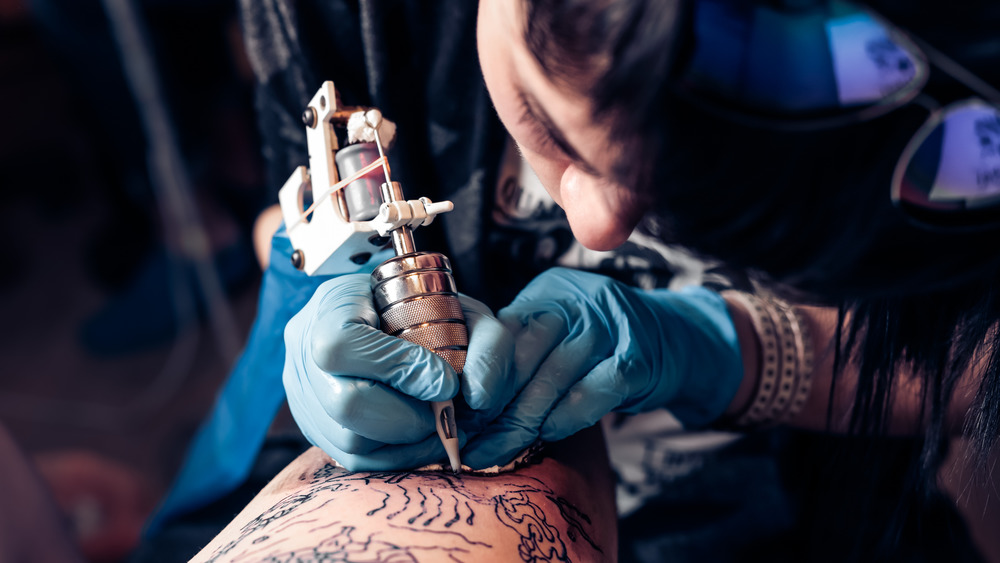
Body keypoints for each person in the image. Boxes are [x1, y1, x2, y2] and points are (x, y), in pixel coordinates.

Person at [139, 0, 1000, 561]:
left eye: (668, 195)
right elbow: (291, 213)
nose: (595, 226)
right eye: (559, 131)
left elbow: (974, 363)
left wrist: (725, 350)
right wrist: (325, 277)